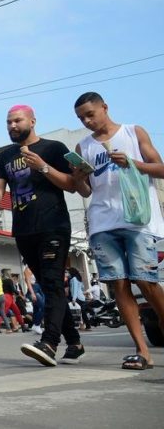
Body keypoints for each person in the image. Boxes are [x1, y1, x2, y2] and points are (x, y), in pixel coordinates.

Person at [0, 104, 83, 367]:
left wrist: (44, 167)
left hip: (53, 225)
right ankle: (75, 342)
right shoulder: (5, 157)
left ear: (32, 121)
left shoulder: (55, 148)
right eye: (8, 122)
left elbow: (73, 186)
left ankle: (49, 343)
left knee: (52, 282)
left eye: (17, 121)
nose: (12, 126)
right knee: (50, 286)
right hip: (24, 230)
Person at [72, 92, 164, 370]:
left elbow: (160, 168)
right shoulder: (83, 147)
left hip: (137, 220)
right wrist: (77, 178)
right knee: (119, 284)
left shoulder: (133, 133)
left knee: (146, 282)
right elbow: (87, 190)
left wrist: (132, 163)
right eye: (81, 118)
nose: (87, 121)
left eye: (90, 114)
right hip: (102, 223)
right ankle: (141, 350)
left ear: (105, 108)